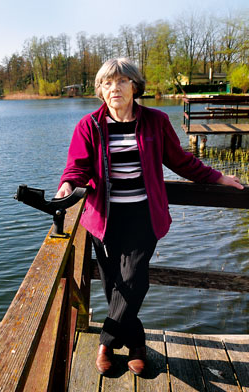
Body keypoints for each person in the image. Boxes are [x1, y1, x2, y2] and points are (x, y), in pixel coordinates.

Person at [55, 58, 243, 376]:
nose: (114, 87)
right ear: (100, 90)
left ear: (135, 86)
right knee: (114, 285)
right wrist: (67, 183)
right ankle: (137, 345)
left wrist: (217, 178)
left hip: (144, 216)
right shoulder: (89, 126)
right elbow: (78, 165)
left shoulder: (155, 122)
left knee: (134, 281)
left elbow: (180, 161)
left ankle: (105, 343)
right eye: (108, 83)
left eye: (121, 81)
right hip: (104, 217)